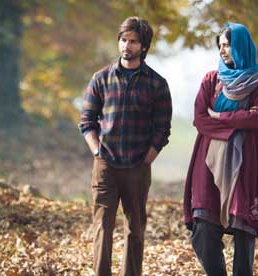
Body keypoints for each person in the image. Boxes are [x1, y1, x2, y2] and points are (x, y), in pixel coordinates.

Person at [78, 16, 172, 276]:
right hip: (105, 165)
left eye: (133, 41)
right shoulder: (101, 78)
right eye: (123, 40)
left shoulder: (157, 84)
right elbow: (86, 121)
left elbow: (162, 129)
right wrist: (97, 151)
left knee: (135, 228)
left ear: (144, 47)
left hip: (138, 167)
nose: (126, 46)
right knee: (102, 227)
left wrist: (147, 159)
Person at [183, 22, 258, 276]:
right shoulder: (211, 80)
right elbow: (200, 119)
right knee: (203, 227)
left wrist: (222, 118)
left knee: (243, 229)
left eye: (228, 45)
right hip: (209, 161)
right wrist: (239, 120)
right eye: (221, 46)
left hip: (245, 162)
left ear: (242, 46)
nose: (224, 51)